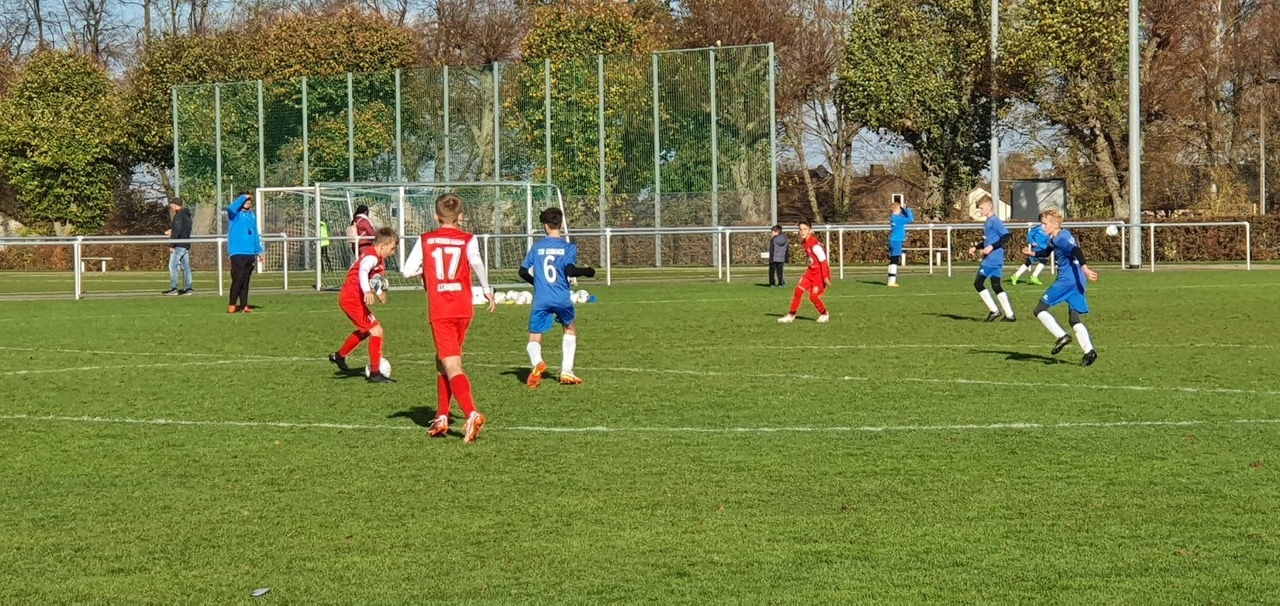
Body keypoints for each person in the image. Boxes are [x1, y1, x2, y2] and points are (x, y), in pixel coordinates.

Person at [402, 193, 496, 443]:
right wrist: (487, 289)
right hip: (463, 308)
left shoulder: (426, 239)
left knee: (452, 364)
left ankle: (471, 414)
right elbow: (477, 263)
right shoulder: (468, 239)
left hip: (441, 309)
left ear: (436, 216)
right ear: (460, 216)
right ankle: (442, 415)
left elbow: (407, 271)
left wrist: (427, 270)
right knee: (443, 360)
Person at [519, 207, 597, 388]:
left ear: (545, 226)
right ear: (561, 225)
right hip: (561, 296)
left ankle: (538, 362)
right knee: (569, 328)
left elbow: (522, 271)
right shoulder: (568, 247)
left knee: (534, 336)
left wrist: (537, 283)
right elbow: (570, 270)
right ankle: (567, 371)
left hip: (541, 298)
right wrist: (588, 271)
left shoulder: (537, 247)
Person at [1027, 208, 1099, 366]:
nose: (1042, 227)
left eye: (1045, 224)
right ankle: (1089, 351)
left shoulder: (1059, 239)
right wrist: (1032, 254)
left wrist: (1086, 268)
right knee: (1074, 318)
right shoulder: (1062, 235)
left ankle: (1062, 336)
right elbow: (1047, 251)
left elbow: (1076, 250)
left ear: (1054, 225)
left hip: (1067, 281)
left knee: (1039, 309)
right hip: (1078, 281)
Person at [329, 227, 398, 383]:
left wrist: (378, 291)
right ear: (382, 246)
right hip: (351, 299)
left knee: (366, 331)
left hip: (352, 298)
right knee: (376, 331)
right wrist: (367, 291)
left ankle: (340, 356)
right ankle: (375, 373)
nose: (393, 252)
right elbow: (363, 271)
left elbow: (373, 278)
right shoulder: (372, 257)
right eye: (392, 248)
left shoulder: (377, 258)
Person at [968, 199, 1015, 322]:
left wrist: (991, 247)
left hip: (992, 258)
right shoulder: (989, 221)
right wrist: (977, 247)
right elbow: (989, 240)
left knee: (978, 283)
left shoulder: (994, 220)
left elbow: (1006, 236)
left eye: (982, 208)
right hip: (996, 258)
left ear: (989, 207)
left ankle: (994, 311)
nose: (980, 211)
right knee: (996, 285)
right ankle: (1010, 315)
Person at [777, 220, 830, 323]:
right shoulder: (805, 242)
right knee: (798, 291)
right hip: (810, 272)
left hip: (818, 274)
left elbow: (823, 261)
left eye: (805, 229)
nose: (802, 232)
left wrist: (825, 276)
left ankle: (824, 313)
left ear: (810, 230)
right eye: (800, 229)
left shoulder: (814, 245)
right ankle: (791, 315)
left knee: (813, 297)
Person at [227, 192, 264, 314]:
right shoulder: (235, 214)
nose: (248, 202)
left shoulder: (252, 215)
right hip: (237, 252)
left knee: (246, 280)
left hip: (250, 252)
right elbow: (231, 208)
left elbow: (255, 233)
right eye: (245, 200)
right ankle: (232, 304)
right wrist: (243, 197)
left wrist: (259, 250)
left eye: (249, 200)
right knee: (238, 279)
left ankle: (244, 305)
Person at [163, 197, 194, 296]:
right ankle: (188, 288)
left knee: (173, 266)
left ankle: (174, 288)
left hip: (179, 245)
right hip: (185, 244)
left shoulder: (178, 216)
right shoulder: (187, 216)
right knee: (186, 267)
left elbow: (177, 230)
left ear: (176, 205)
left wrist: (172, 244)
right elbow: (183, 229)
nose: (171, 207)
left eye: (172, 205)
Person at [1010, 215, 1051, 285]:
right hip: (1037, 248)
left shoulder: (1048, 228)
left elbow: (1048, 238)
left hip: (1043, 248)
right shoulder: (1038, 228)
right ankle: (1033, 276)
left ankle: (1016, 275)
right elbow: (1029, 235)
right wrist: (1032, 242)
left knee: (1029, 262)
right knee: (1043, 260)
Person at [887, 201, 913, 287]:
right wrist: (907, 209)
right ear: (896, 209)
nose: (901, 210)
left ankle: (891, 280)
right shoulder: (898, 219)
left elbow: (905, 217)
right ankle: (891, 281)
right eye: (899, 208)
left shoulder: (894, 217)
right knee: (895, 260)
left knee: (893, 259)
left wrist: (904, 210)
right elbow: (910, 219)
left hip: (893, 240)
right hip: (896, 240)